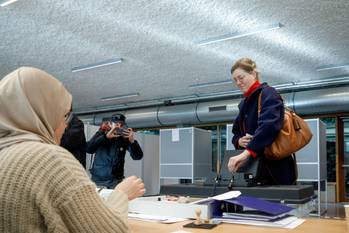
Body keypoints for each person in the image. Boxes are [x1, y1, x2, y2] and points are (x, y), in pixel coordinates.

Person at [0, 67, 145, 232]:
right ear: (44, 113)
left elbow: (137, 156)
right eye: (63, 115)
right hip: (102, 182)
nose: (65, 125)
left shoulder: (5, 154)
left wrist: (132, 141)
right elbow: (108, 230)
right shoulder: (50, 158)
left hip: (115, 178)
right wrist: (122, 195)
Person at [227, 58, 297, 185]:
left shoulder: (268, 94)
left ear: (253, 74)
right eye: (235, 80)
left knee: (276, 203)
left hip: (276, 167)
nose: (238, 82)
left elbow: (269, 126)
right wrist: (239, 141)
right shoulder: (243, 103)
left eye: (241, 77)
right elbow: (236, 131)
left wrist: (246, 153)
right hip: (253, 168)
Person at [87, 114, 143, 189]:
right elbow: (89, 149)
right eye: (116, 124)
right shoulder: (101, 133)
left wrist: (132, 141)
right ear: (110, 124)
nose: (119, 126)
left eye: (121, 124)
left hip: (116, 180)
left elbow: (137, 156)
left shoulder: (124, 138)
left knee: (116, 200)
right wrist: (105, 137)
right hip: (98, 179)